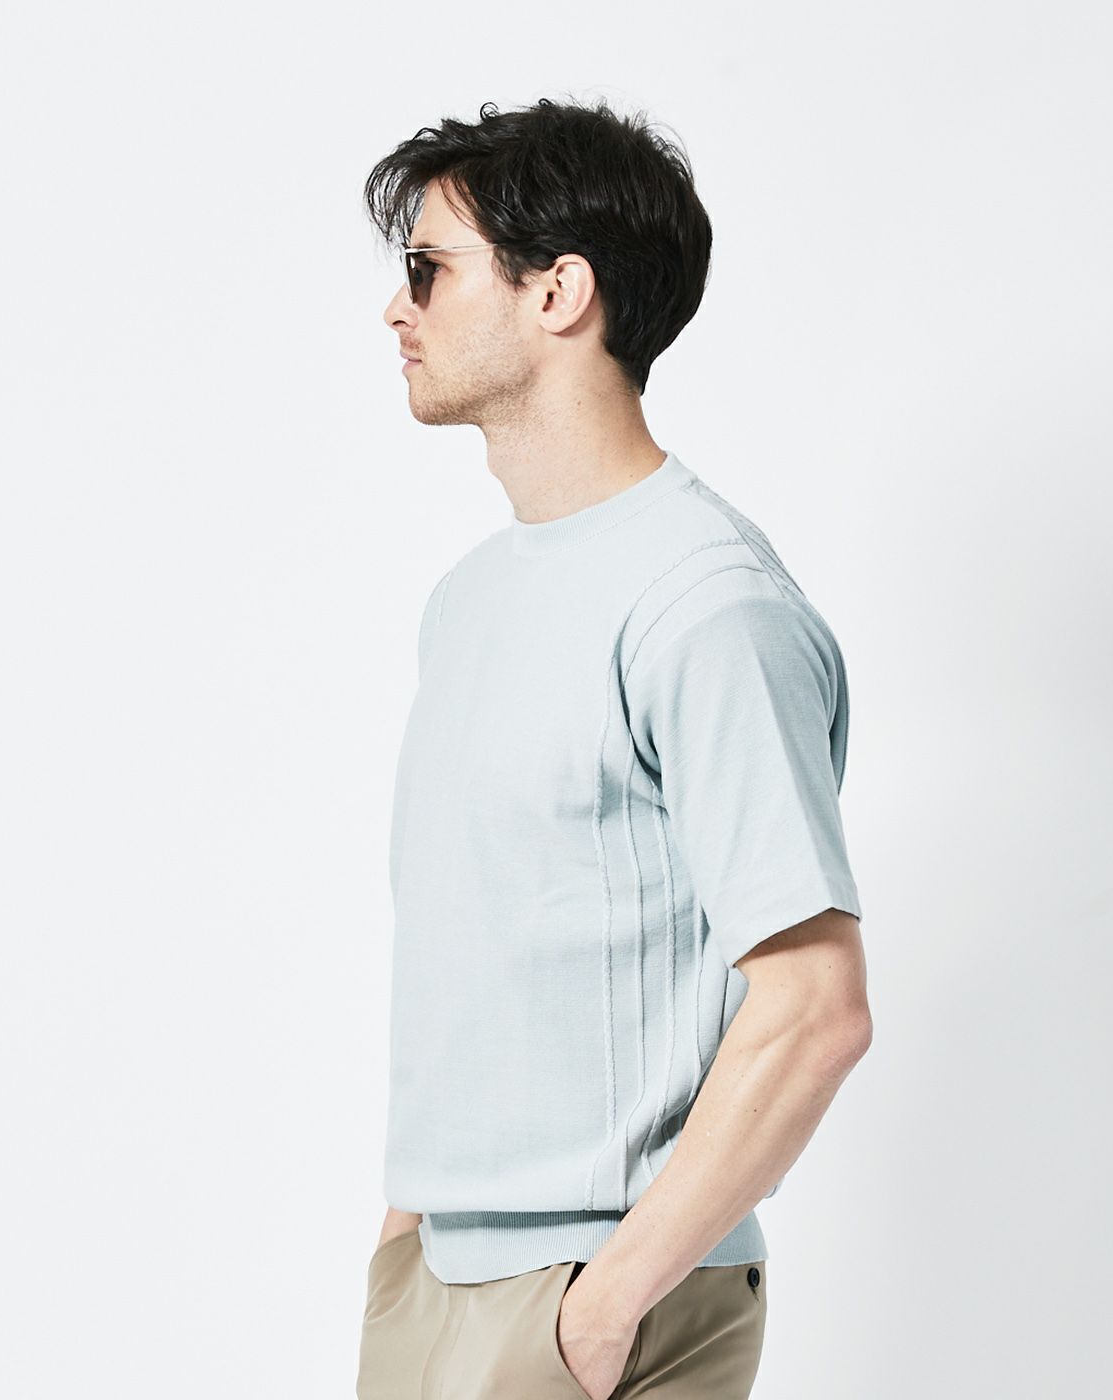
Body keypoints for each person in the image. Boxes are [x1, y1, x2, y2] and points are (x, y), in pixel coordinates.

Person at [356, 95, 872, 1400]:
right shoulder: (470, 600)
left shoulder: (707, 605)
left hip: (595, 1296)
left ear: (559, 292)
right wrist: (406, 1237)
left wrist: (605, 1307)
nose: (397, 308)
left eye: (429, 268)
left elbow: (814, 1007)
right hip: (439, 1277)